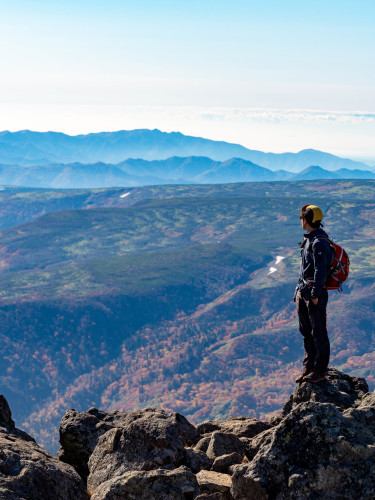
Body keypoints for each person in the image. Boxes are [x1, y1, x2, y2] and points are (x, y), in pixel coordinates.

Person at [294, 204, 333, 384]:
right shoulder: (308, 239)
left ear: (306, 220)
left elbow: (320, 271)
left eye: (302, 218)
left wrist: (316, 294)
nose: (301, 221)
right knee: (306, 332)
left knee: (318, 333)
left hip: (313, 294)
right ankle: (309, 367)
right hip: (304, 291)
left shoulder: (319, 242)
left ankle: (320, 370)